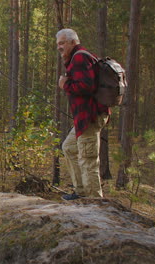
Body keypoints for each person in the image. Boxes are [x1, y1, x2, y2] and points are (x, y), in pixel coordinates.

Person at [56, 28, 110, 200]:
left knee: (88, 160)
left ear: (73, 42)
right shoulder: (80, 57)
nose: (59, 47)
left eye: (62, 43)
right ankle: (81, 192)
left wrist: (65, 84)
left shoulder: (80, 57)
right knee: (69, 148)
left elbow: (86, 87)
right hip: (84, 118)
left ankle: (95, 203)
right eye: (58, 44)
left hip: (90, 117)